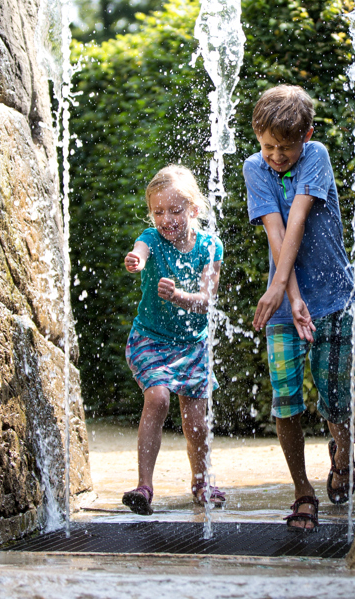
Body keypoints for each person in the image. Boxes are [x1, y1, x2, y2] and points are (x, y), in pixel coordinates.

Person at [242, 85, 355, 532]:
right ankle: (302, 490)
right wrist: (288, 297)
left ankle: (342, 456)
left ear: (306, 136)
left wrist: (284, 289)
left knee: (336, 398)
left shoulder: (317, 156)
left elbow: (297, 220)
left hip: (332, 298)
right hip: (284, 303)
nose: (275, 155)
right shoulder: (254, 167)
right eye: (268, 145)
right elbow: (275, 233)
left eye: (285, 147)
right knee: (286, 400)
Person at [121, 165, 225, 516]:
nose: (166, 219)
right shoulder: (151, 239)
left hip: (191, 345)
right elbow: (141, 250)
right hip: (150, 339)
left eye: (175, 211)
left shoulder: (210, 247)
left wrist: (180, 296)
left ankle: (201, 480)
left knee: (196, 419)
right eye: (158, 212)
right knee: (159, 397)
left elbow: (207, 301)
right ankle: (144, 486)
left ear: (194, 210)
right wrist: (136, 260)